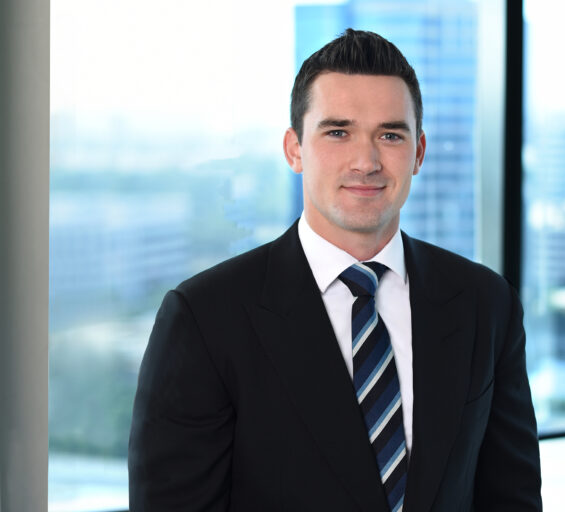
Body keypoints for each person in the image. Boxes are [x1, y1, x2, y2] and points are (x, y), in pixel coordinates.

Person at [128, 28, 541, 511]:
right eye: (338, 132)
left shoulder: (485, 304)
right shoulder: (205, 317)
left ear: (418, 153)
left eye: (390, 135)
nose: (366, 161)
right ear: (294, 149)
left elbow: (512, 499)